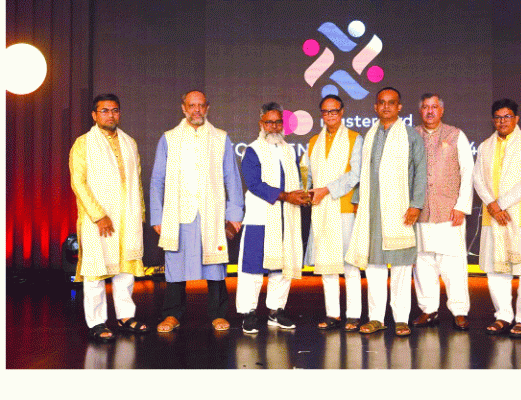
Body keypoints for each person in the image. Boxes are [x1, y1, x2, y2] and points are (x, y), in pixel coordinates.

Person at [150, 90, 244, 333]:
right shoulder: (169, 138)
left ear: (207, 108)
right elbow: (157, 179)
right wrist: (157, 215)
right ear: (183, 108)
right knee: (175, 265)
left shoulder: (220, 137)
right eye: (191, 106)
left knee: (215, 265)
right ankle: (172, 315)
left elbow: (232, 177)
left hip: (211, 213)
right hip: (178, 213)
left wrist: (235, 213)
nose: (196, 110)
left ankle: (218, 314)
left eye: (201, 105)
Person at [345, 87, 427, 337]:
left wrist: (416, 204)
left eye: (391, 103)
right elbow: (363, 171)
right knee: (374, 266)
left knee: (401, 265)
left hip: (401, 209)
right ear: (375, 106)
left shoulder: (411, 136)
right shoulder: (369, 135)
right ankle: (376, 318)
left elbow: (421, 172)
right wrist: (358, 199)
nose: (386, 107)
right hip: (371, 209)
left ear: (399, 107)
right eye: (382, 102)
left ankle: (401, 318)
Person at [69, 93, 149, 342]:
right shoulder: (83, 143)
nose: (110, 115)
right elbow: (78, 183)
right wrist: (99, 215)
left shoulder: (129, 142)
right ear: (94, 115)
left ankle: (125, 316)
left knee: (125, 270)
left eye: (114, 110)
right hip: (97, 219)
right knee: (95, 270)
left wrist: (139, 213)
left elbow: (136, 182)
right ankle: (96, 321)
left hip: (127, 217)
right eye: (104, 111)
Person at [236, 102, 310, 334]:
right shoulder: (252, 150)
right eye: (269, 122)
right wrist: (287, 196)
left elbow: (296, 180)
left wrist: (301, 195)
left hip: (286, 216)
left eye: (278, 122)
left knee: (281, 266)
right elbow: (254, 184)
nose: (274, 127)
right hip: (260, 217)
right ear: (261, 124)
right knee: (252, 266)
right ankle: (248, 312)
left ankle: (276, 311)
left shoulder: (289, 150)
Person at [473, 98, 521, 338]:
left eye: (507, 116)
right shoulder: (485, 146)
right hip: (493, 217)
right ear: (493, 120)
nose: (502, 121)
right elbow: (477, 180)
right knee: (496, 270)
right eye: (498, 117)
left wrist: (499, 204)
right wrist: (493, 207)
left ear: (516, 119)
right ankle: (503, 315)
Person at [300, 94, 364, 332]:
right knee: (327, 265)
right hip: (321, 209)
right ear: (321, 114)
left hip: (345, 208)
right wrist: (305, 191)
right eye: (326, 112)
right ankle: (333, 314)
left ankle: (354, 315)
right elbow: (306, 172)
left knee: (350, 266)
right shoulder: (313, 141)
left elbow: (356, 174)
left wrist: (327, 189)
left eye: (334, 111)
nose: (330, 115)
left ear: (342, 111)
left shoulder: (354, 138)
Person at [411, 93, 474, 331]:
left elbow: (468, 171)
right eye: (425, 107)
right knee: (423, 262)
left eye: (434, 107)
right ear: (420, 111)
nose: (430, 111)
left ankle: (459, 311)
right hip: (420, 212)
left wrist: (461, 206)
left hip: (450, 211)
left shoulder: (455, 135)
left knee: (453, 264)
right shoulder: (411, 135)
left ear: (442, 110)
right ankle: (429, 309)